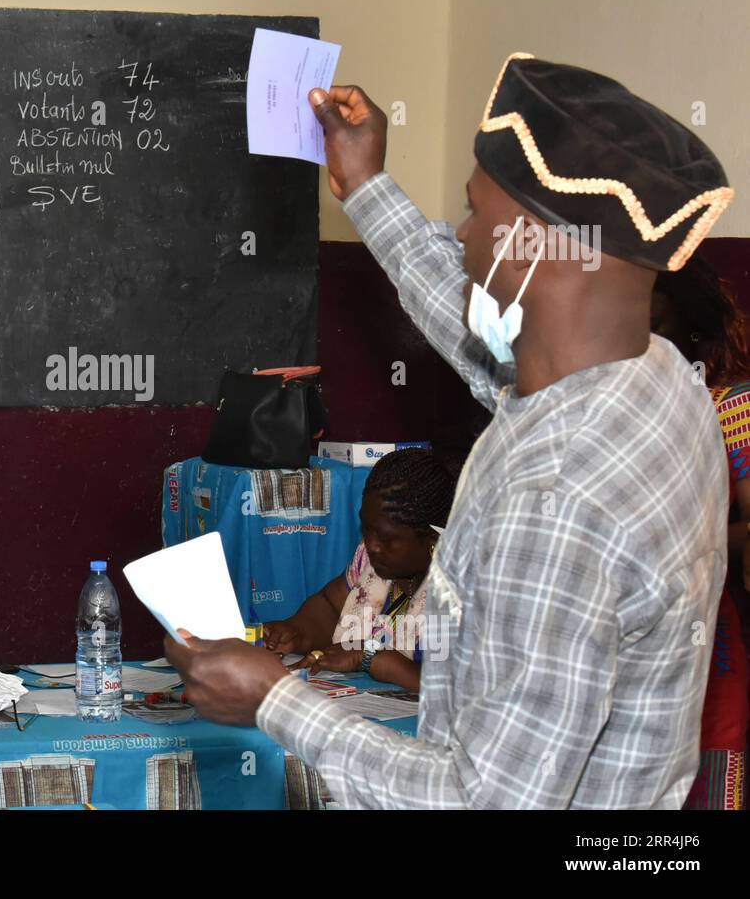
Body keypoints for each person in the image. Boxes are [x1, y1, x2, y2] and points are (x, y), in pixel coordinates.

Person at [166, 53, 735, 808]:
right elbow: (487, 347)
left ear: (531, 242)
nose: (463, 237)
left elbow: (485, 801)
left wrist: (273, 701)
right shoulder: (659, 386)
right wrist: (366, 188)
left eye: (473, 213)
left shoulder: (556, 502)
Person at [652, 255, 749, 810]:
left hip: (709, 647)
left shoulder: (733, 409)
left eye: (656, 327)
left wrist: (676, 546)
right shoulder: (626, 409)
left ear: (691, 330)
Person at [264, 447, 456, 692]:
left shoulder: (462, 589)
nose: (372, 545)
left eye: (386, 539)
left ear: (431, 540)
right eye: (366, 529)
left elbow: (458, 689)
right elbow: (330, 605)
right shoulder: (369, 560)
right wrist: (297, 631)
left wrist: (371, 659)